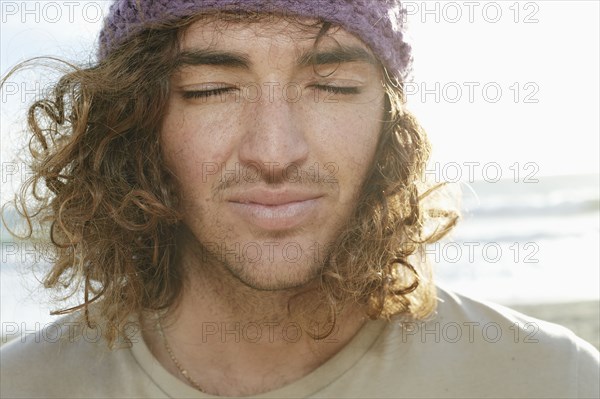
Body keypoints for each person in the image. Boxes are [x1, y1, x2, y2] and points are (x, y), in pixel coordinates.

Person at [1, 1, 598, 398]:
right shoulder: (24, 385)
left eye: (332, 87)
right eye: (210, 90)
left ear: (389, 125)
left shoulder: (550, 379)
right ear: (133, 126)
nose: (275, 150)